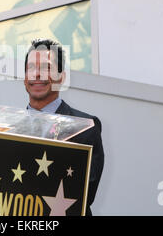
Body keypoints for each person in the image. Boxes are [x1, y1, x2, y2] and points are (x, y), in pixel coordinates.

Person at [24, 38, 104, 216]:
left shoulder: (85, 127)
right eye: (31, 68)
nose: (37, 74)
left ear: (62, 77)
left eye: (46, 68)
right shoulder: (8, 128)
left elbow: (84, 193)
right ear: (24, 78)